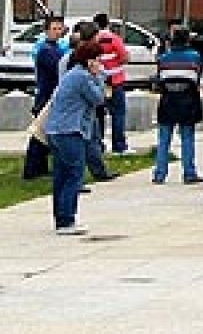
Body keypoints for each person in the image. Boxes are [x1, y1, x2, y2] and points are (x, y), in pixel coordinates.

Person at [45, 43, 106, 235]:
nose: (100, 63)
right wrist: (100, 77)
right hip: (70, 131)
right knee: (74, 174)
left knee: (61, 175)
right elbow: (98, 98)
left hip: (56, 130)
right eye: (97, 59)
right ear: (89, 61)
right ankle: (67, 219)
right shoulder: (83, 77)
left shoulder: (71, 75)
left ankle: (61, 218)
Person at [152, 28, 203, 185]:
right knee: (187, 137)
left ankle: (160, 173)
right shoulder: (194, 57)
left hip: (168, 101)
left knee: (164, 139)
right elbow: (197, 78)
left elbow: (159, 80)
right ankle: (189, 172)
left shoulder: (163, 59)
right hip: (188, 101)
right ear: (187, 40)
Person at [23, 16, 68, 180]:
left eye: (59, 28)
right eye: (54, 29)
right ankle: (31, 169)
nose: (57, 32)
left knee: (44, 136)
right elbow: (58, 70)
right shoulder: (45, 51)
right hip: (45, 96)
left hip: (52, 95)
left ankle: (40, 168)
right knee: (39, 135)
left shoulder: (57, 48)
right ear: (47, 30)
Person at [92, 13, 130, 155]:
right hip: (116, 80)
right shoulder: (114, 39)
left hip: (99, 81)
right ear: (107, 23)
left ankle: (99, 144)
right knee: (118, 113)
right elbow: (125, 57)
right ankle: (119, 145)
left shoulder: (94, 40)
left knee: (99, 114)